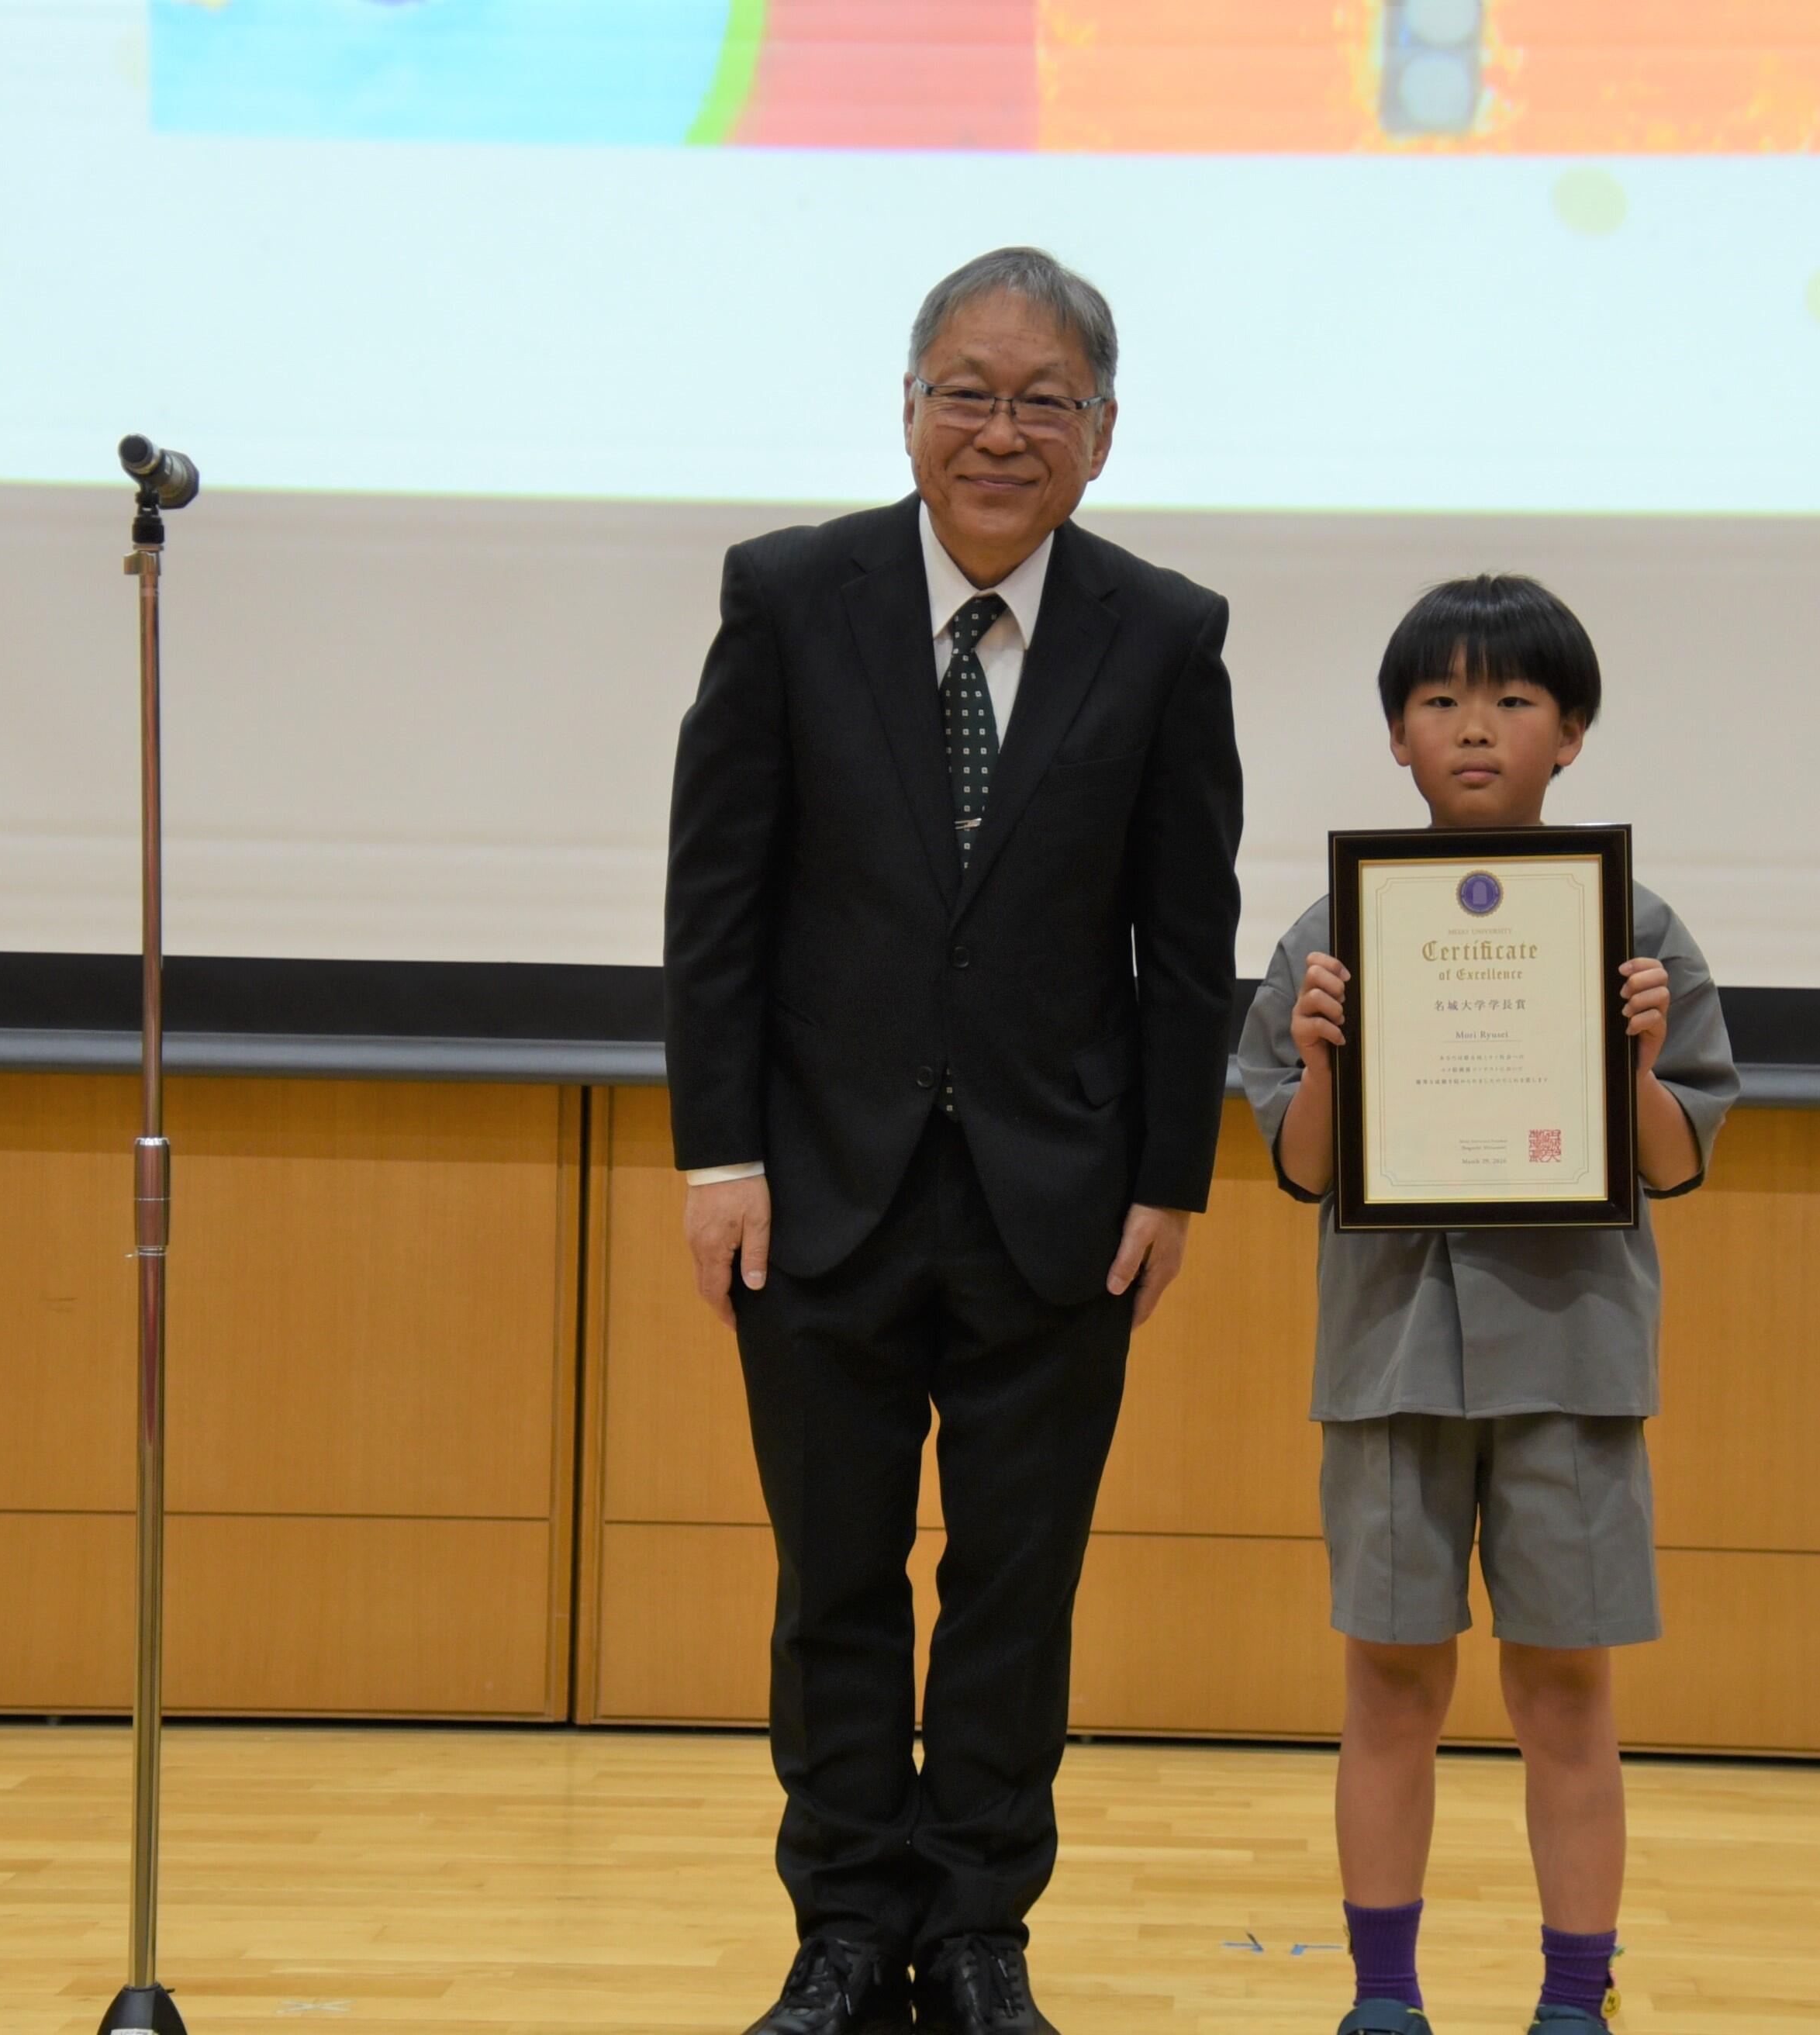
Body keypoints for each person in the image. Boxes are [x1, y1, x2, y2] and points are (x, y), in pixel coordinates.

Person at [664, 247, 1244, 2035]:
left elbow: (1185, 935)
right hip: (814, 1187)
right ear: (908, 406)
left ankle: (980, 1927)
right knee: (832, 1572)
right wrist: (717, 1152)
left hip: (1058, 1202)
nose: (1002, 429)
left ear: (1104, 432)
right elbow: (721, 901)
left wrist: (1168, 1177)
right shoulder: (789, 595)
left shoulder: (1163, 633)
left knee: (1016, 1581)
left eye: (1043, 398)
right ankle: (844, 1923)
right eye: (968, 391)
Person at [1236, 576, 1737, 2035]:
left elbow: (1679, 1156)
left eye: (1514, 701)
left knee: (1565, 1691)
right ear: (1395, 736)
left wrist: (1635, 1056)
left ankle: (1574, 2002)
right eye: (1440, 701)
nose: (1475, 728)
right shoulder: (1333, 931)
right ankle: (1383, 1999)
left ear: (1570, 735)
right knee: (1391, 1684)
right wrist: (1324, 1055)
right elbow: (1300, 1164)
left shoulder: (1631, 926)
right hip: (1388, 1362)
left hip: (1571, 1357)